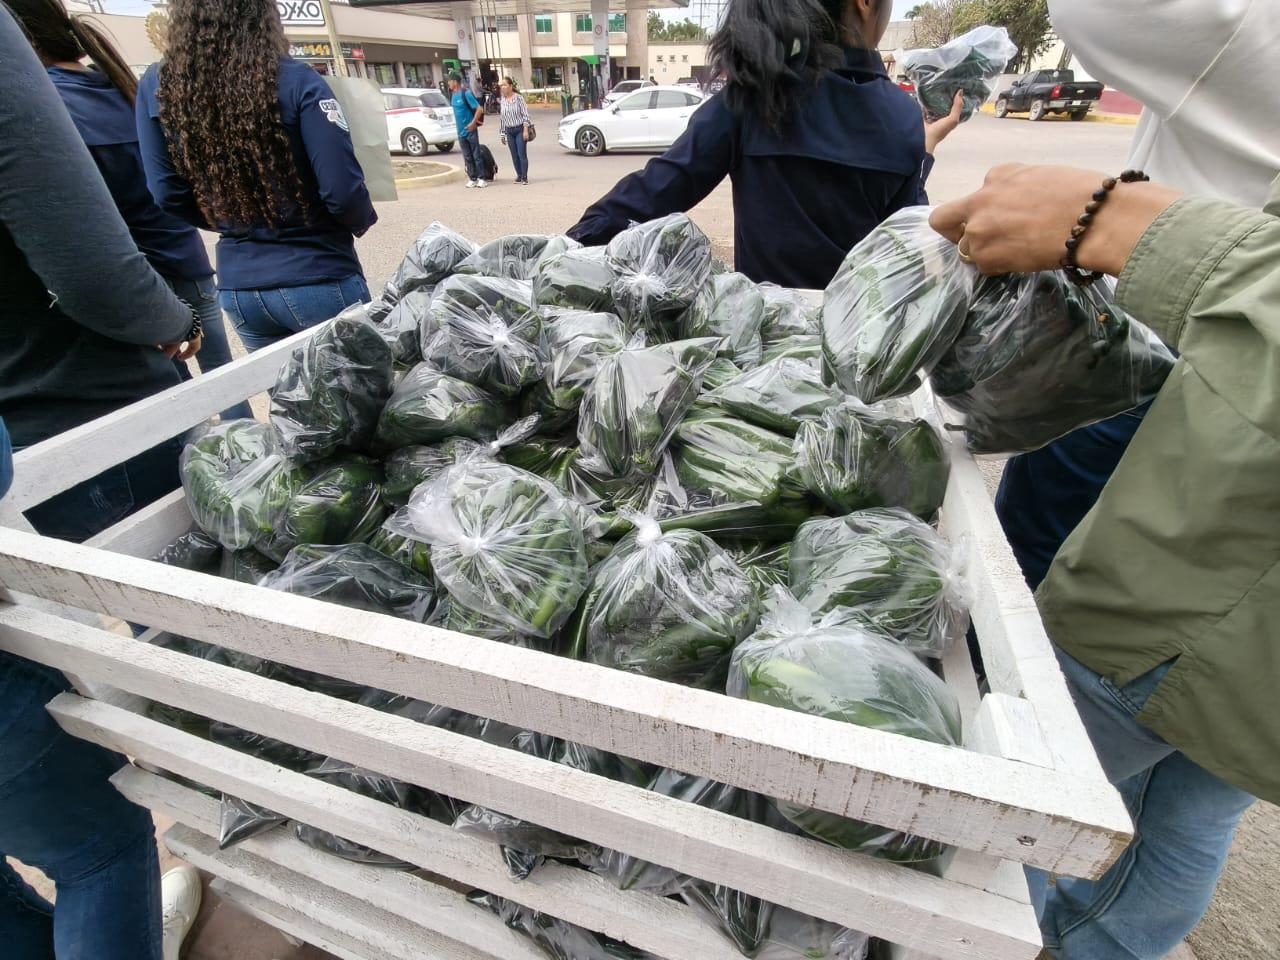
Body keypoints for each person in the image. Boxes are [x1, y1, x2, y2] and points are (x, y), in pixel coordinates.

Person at [933, 164, 1280, 960]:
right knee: (1195, 801)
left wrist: (1116, 221)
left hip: (1211, 582)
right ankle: (1088, 946)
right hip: (1248, 630)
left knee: (1008, 809)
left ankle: (981, 942)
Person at [0, 7, 204, 958]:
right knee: (99, 841)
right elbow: (91, 261)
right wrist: (175, 326)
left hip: (29, 433)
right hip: (87, 412)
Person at [994, 0, 1280, 591]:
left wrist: (1098, 223)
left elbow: (1097, 12)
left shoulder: (1246, 22)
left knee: (1040, 547)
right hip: (1229, 358)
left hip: (1177, 348)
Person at [567, 0, 962, 289]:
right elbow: (905, 249)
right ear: (865, 4)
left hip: (762, 353)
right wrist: (919, 154)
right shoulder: (902, 117)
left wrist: (564, 249)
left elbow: (656, 190)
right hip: (853, 354)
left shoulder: (756, 99)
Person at [6, 0, 252, 422]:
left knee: (177, 408)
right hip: (185, 260)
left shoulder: (44, 106)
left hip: (139, 286)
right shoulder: (121, 87)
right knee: (225, 384)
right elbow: (173, 185)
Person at [136, 0, 377, 352]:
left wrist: (234, 222)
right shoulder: (296, 81)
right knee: (360, 399)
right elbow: (343, 191)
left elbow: (166, 192)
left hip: (241, 287)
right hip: (319, 272)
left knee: (291, 400)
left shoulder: (160, 87)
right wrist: (358, 220)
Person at [449, 71, 488, 189]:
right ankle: (472, 178)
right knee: (467, 156)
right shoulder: (452, 95)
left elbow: (479, 109)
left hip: (470, 130)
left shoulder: (465, 94)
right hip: (460, 132)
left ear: (455, 82)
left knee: (476, 154)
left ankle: (482, 178)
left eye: (450, 81)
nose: (448, 83)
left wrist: (472, 123)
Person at [499, 76, 532, 185]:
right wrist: (502, 134)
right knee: (514, 154)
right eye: (502, 85)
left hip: (519, 129)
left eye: (504, 85)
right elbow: (502, 118)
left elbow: (525, 115)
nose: (502, 87)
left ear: (510, 86)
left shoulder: (518, 98)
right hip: (509, 130)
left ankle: (524, 176)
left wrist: (525, 130)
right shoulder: (502, 100)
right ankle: (519, 175)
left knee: (521, 153)